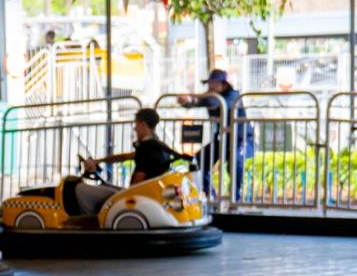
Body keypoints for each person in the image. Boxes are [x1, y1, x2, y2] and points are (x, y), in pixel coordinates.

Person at [178, 68, 255, 200]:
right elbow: (197, 102)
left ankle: (236, 197)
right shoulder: (211, 96)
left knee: (235, 162)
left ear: (224, 84)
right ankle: (210, 195)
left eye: (214, 83)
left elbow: (218, 103)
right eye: (210, 83)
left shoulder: (233, 96)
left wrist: (195, 99)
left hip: (240, 139)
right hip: (222, 139)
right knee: (198, 162)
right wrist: (186, 101)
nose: (211, 86)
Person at [83, 109, 180, 186]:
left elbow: (136, 184)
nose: (135, 129)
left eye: (136, 124)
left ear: (143, 125)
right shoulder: (160, 147)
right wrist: (98, 161)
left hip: (139, 198)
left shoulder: (146, 149)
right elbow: (125, 157)